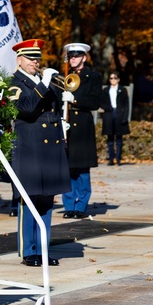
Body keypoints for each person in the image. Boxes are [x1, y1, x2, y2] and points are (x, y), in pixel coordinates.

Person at [7, 39, 71, 267]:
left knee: (46, 200)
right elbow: (27, 108)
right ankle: (28, 251)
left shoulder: (46, 83)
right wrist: (44, 84)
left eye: (37, 59)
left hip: (49, 148)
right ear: (19, 60)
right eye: (31, 58)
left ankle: (42, 248)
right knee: (29, 199)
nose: (35, 62)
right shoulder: (14, 83)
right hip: (30, 148)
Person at [60, 42, 101, 219]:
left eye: (76, 56)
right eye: (71, 56)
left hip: (82, 123)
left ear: (84, 57)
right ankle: (69, 205)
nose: (73, 59)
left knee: (82, 168)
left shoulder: (93, 77)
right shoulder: (64, 76)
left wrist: (75, 100)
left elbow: (94, 102)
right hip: (66, 123)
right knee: (67, 167)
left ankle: (81, 205)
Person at [100, 70, 130, 165]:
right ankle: (111, 159)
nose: (113, 80)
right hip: (109, 113)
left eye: (115, 78)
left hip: (119, 114)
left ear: (118, 79)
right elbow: (101, 102)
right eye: (111, 78)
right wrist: (107, 108)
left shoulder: (123, 90)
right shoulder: (105, 90)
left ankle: (118, 158)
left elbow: (126, 105)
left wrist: (125, 117)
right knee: (110, 137)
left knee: (119, 138)